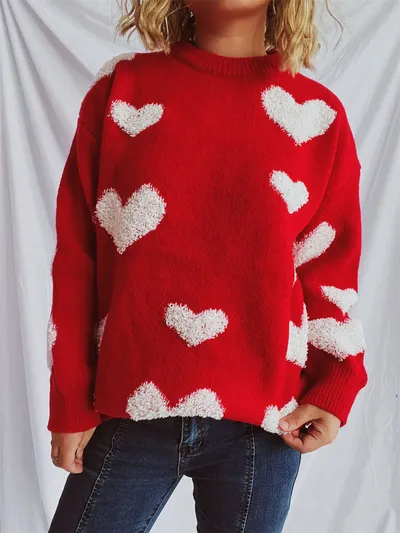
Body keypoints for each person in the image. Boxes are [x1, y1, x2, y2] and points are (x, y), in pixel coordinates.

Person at [48, 0, 368, 531]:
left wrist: (336, 383)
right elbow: (77, 256)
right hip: (129, 408)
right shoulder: (122, 90)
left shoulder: (316, 116)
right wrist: (69, 398)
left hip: (264, 426)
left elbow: (329, 269)